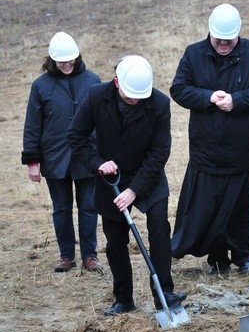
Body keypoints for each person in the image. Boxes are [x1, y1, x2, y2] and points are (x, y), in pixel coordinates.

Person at [68, 55, 186, 316]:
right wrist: (98, 163)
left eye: (139, 97)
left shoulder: (159, 104)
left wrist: (134, 190)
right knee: (115, 241)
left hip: (148, 174)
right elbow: (76, 136)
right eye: (130, 96)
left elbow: (159, 153)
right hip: (111, 178)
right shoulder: (96, 97)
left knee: (159, 227)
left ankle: (164, 293)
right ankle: (124, 298)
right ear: (116, 82)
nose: (135, 101)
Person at [170, 3, 249, 276]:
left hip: (242, 149)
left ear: (238, 35)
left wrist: (237, 100)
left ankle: (243, 256)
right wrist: (207, 97)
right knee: (211, 204)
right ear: (210, 33)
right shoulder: (193, 54)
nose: (223, 44)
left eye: (228, 40)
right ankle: (217, 258)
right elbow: (179, 89)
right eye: (218, 39)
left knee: (241, 205)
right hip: (206, 150)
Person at [21, 31, 102, 273]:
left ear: (77, 57)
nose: (67, 65)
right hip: (55, 158)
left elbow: (104, 120)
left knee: (89, 207)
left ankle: (90, 255)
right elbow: (32, 124)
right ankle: (67, 255)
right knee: (61, 209)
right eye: (61, 61)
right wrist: (32, 161)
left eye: (71, 60)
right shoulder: (40, 85)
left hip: (87, 157)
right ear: (52, 60)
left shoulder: (93, 80)